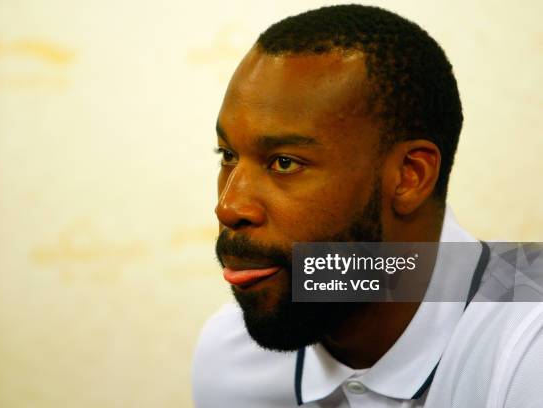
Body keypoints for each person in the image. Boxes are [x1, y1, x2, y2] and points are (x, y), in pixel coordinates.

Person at [192, 5, 543, 407]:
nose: (228, 206)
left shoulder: (529, 347)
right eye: (227, 155)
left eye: (284, 162)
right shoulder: (229, 358)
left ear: (409, 177)